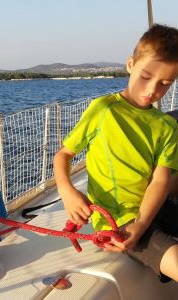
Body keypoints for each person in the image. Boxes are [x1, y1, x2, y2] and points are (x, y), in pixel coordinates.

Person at [53, 24, 178, 282]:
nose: (152, 90)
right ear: (130, 64)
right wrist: (67, 192)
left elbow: (161, 181)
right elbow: (63, 155)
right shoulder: (103, 110)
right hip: (119, 219)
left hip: (154, 208)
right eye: (146, 76)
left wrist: (143, 221)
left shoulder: (167, 126)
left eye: (165, 83)